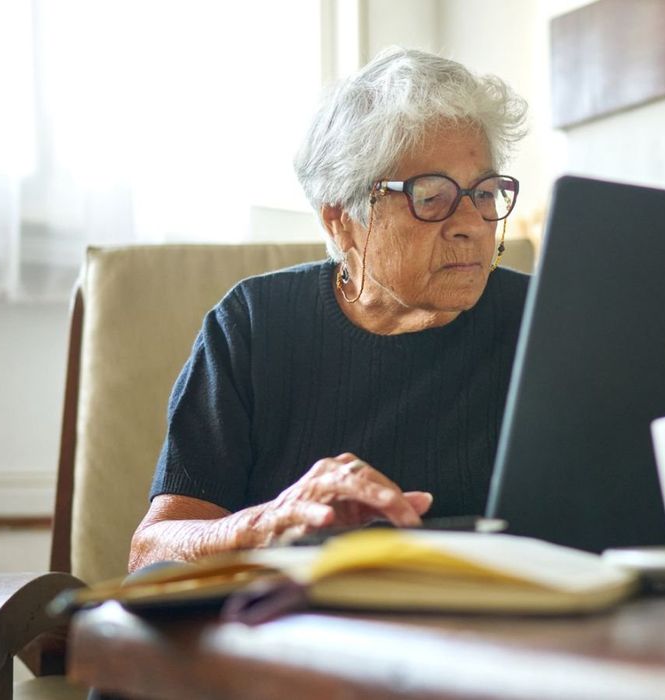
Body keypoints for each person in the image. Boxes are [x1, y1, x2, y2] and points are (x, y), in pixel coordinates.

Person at [127, 47, 530, 571]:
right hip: (301, 635)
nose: (473, 223)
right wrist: (265, 523)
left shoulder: (542, 322)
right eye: (431, 197)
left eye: (484, 193)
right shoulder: (253, 326)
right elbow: (148, 553)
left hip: (505, 631)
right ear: (341, 218)